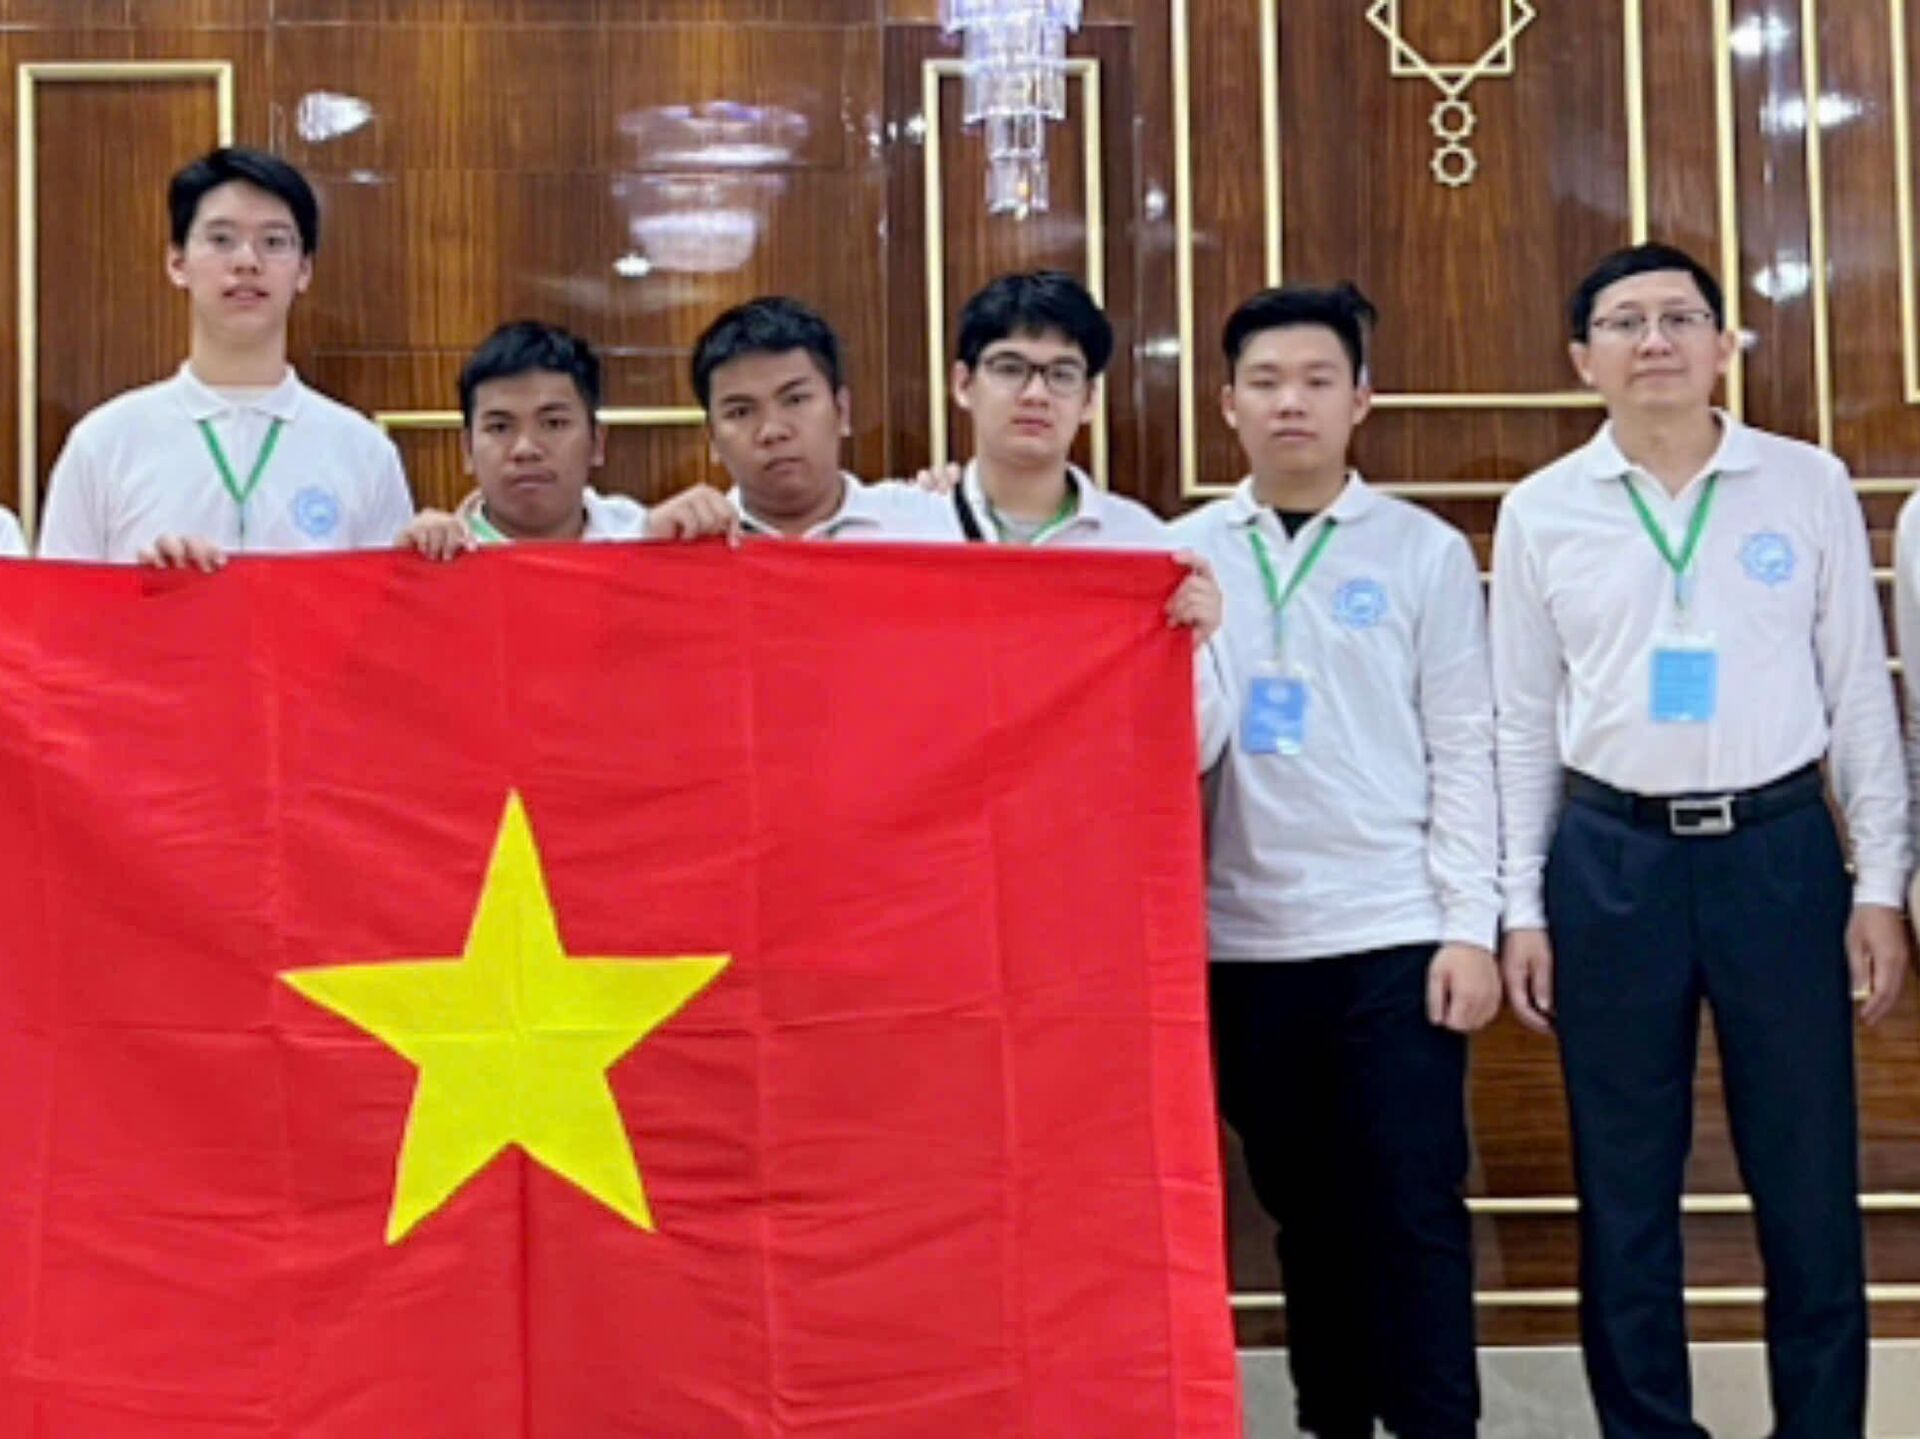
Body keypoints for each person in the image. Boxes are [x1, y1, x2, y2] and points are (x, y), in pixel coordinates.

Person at [1492, 242, 1908, 1438]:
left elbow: (1859, 694)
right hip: (1609, 861)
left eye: (1680, 317)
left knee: (1808, 1178)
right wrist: (1521, 905)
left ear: (1725, 345)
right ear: (1584, 359)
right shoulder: (1542, 509)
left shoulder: (1806, 482)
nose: (1655, 340)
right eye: (1625, 322)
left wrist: (1879, 884)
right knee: (1624, 1187)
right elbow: (1519, 721)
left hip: (1779, 852)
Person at [1172, 282, 1498, 1439]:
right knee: (1302, 1213)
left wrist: (1469, 925)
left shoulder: (1422, 551)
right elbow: (1178, 746)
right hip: (1245, 943)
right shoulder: (1180, 552)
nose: (1290, 403)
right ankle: (1334, 1421)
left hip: (1394, 933)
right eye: (1265, 382)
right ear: (1227, 404)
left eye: (1317, 380)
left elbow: (1466, 743)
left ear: (1362, 399)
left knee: (1412, 1205)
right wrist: (1196, 638)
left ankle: (1438, 1424)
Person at [37, 147, 413, 570]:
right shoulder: (105, 444)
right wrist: (148, 596)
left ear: (304, 270)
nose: (247, 262)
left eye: (274, 242)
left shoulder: (363, 452)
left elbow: (389, 606)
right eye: (221, 240)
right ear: (177, 262)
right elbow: (58, 607)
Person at [398, 321, 732, 558]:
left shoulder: (645, 536)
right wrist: (403, 568)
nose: (525, 449)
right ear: (467, 450)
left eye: (554, 423)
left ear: (597, 443)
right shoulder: (435, 555)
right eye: (500, 428)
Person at [690, 296, 961, 543]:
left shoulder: (927, 523)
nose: (772, 431)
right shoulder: (689, 542)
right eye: (740, 412)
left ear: (841, 410)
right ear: (712, 438)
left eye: (795, 400)